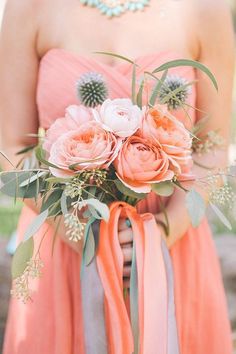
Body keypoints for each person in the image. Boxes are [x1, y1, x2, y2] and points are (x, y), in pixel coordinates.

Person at [0, 0, 234, 353]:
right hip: (67, 244)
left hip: (172, 243)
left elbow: (212, 148)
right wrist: (85, 239)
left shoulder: (207, 9)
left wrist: (161, 233)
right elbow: (11, 150)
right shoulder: (28, 8)